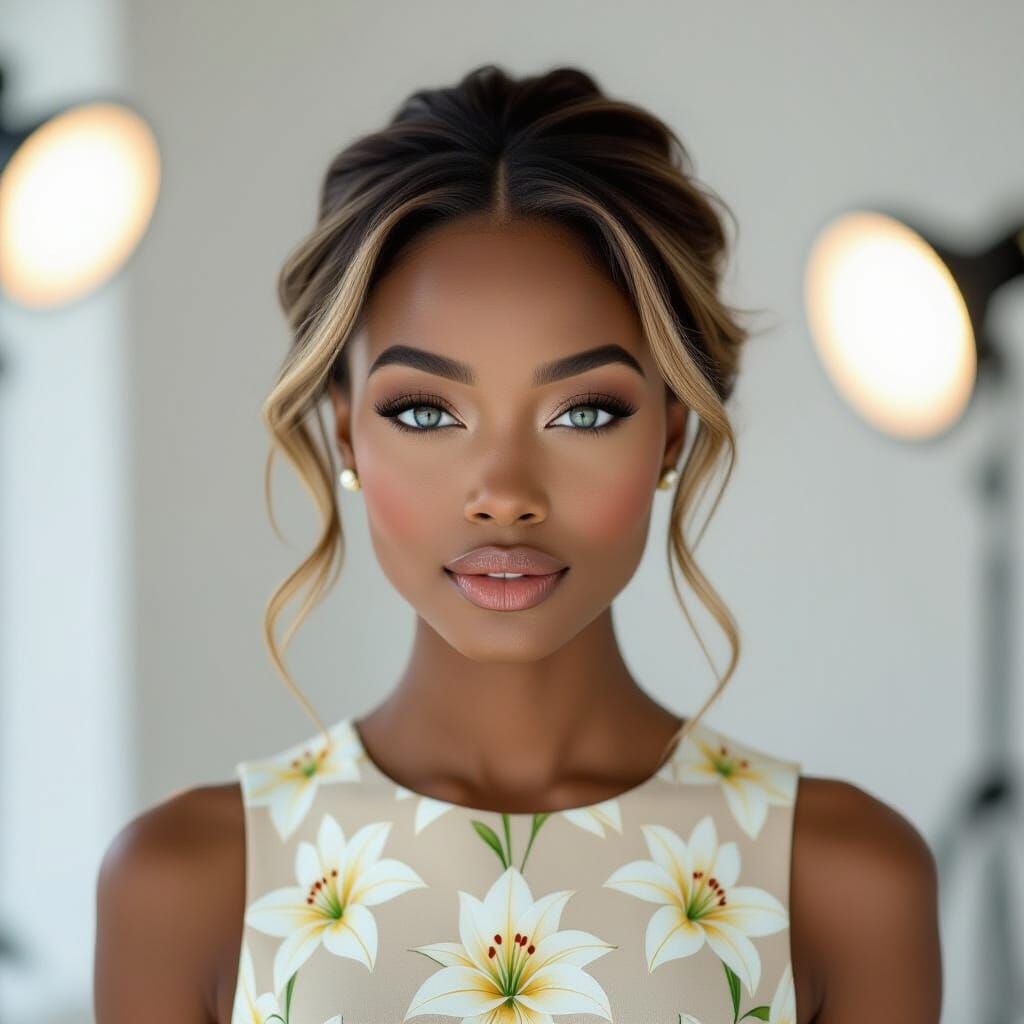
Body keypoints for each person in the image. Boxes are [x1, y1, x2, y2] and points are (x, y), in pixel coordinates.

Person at [93, 64, 942, 1023]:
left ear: (670, 432)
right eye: (424, 409)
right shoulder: (188, 886)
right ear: (344, 436)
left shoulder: (843, 882)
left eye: (584, 412)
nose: (504, 494)